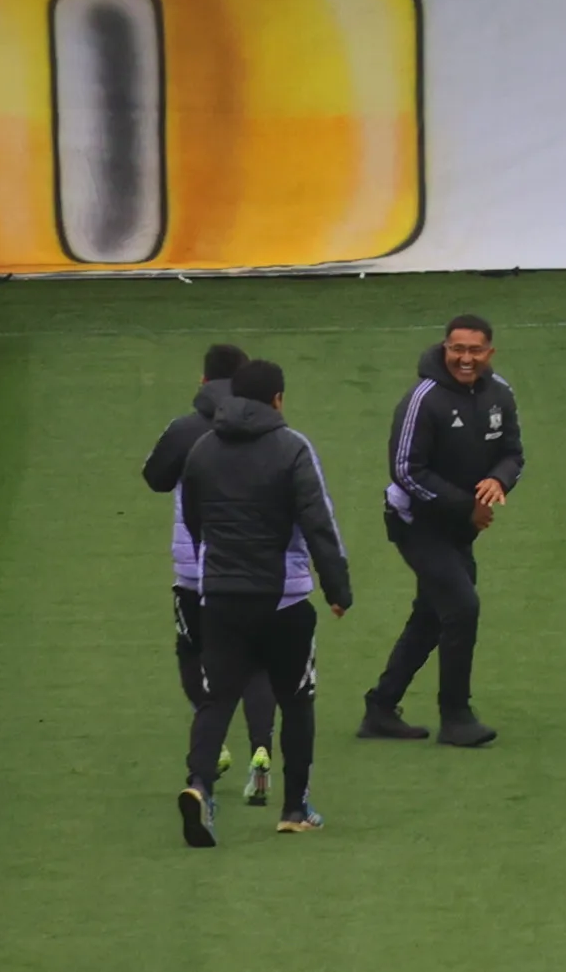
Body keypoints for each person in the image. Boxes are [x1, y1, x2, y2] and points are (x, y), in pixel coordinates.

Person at [169, 353, 350, 845]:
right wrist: (338, 588)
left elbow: (192, 517)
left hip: (221, 596)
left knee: (216, 698)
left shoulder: (203, 448)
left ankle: (200, 786)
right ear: (278, 399)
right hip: (284, 600)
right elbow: (318, 522)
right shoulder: (292, 448)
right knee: (297, 701)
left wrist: (219, 558)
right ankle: (295, 807)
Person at [360, 311, 521, 747]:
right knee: (461, 607)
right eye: (457, 349)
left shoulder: (499, 394)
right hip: (416, 523)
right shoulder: (423, 399)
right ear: (444, 348)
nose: (465, 358)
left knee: (432, 615)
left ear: (489, 352)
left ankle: (381, 707)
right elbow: (406, 472)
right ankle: (456, 715)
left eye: (474, 350)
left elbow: (512, 453)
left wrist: (498, 480)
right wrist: (467, 506)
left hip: (458, 526)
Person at [146, 341, 246, 721]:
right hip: (249, 563)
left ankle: (208, 728)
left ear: (203, 380)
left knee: (191, 647)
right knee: (254, 653)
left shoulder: (183, 430)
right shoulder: (269, 431)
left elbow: (155, 478)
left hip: (192, 566)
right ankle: (261, 740)